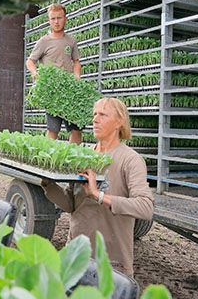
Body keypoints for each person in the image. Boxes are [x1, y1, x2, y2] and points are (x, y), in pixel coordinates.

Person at [39, 97, 153, 276]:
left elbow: (145, 207)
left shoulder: (130, 160)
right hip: (76, 256)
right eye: (94, 114)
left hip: (110, 265)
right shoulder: (84, 154)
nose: (95, 119)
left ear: (119, 122)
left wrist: (98, 195)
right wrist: (47, 183)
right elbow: (71, 204)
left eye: (103, 114)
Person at [26, 2, 83, 144]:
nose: (56, 22)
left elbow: (76, 61)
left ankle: (73, 161)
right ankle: (50, 160)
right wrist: (35, 74)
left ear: (65, 18)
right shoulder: (43, 41)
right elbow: (30, 61)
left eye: (59, 18)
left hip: (70, 91)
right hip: (52, 93)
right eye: (53, 19)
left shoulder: (71, 41)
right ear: (49, 20)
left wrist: (77, 76)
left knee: (76, 129)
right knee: (53, 129)